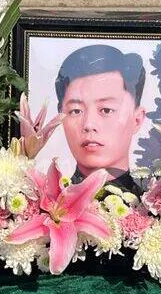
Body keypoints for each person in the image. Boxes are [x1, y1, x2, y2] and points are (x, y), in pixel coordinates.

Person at [55, 45, 146, 191]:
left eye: (106, 110)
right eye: (76, 111)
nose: (89, 124)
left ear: (137, 120)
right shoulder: (46, 202)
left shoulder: (152, 204)